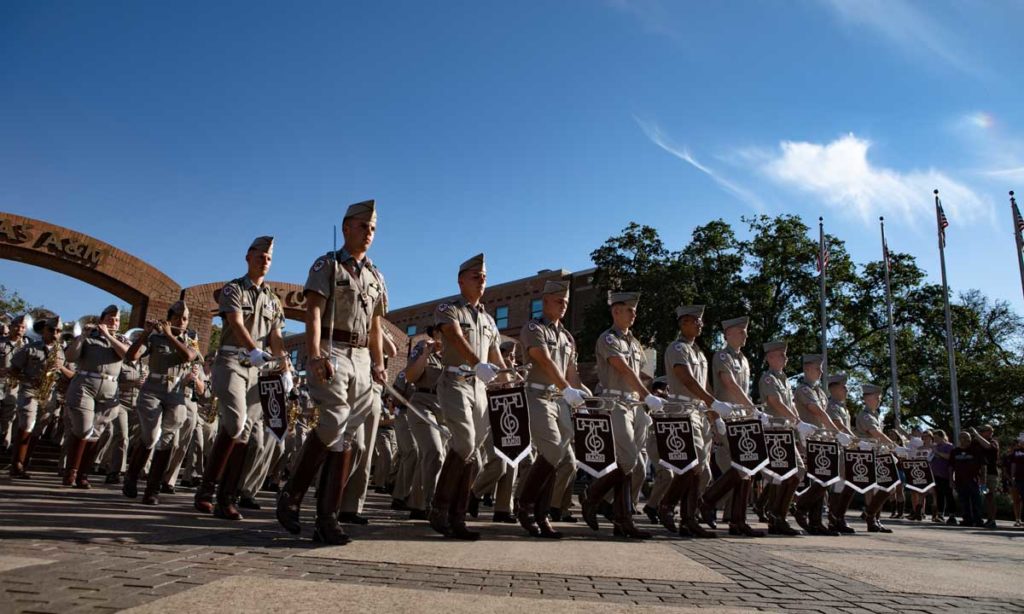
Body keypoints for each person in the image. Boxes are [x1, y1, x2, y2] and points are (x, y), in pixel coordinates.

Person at [276, 202, 387, 545]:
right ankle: (292, 495)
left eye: (373, 228)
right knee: (333, 419)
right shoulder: (328, 265)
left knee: (347, 436)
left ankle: (327, 519)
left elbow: (376, 325)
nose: (369, 233)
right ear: (346, 228)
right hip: (333, 351)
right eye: (362, 226)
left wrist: (379, 363)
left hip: (362, 359)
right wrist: (313, 354)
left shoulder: (376, 275)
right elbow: (313, 313)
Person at [196, 236, 289, 520]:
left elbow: (276, 336)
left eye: (269, 258)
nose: (265, 261)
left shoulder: (273, 300)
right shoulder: (233, 289)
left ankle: (227, 497)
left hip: (257, 370)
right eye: (260, 255)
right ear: (248, 256)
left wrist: (283, 364)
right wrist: (253, 350)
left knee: (246, 432)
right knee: (236, 422)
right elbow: (235, 323)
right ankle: (207, 490)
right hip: (232, 361)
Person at [428, 253, 508, 540]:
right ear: (461, 280)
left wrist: (508, 380)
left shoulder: (488, 319)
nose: (482, 280)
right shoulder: (448, 309)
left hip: (480, 389)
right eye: (476, 276)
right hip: (456, 381)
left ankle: (456, 515)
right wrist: (478, 364)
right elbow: (453, 336)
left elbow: (496, 357)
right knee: (463, 442)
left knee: (471, 451)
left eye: (484, 276)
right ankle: (440, 510)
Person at [580, 291, 661, 539]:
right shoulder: (608, 339)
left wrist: (649, 395)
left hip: (634, 405)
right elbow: (623, 369)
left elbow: (638, 373)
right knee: (627, 460)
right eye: (629, 309)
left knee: (633, 465)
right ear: (616, 311)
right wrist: (647, 395)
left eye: (635, 310)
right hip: (614, 403)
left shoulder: (634, 343)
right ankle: (592, 495)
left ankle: (621, 519)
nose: (634, 313)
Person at [514, 279, 587, 538]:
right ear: (544, 302)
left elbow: (572, 372)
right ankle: (525, 505)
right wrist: (567, 388)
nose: (563, 305)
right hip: (537, 396)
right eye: (559, 301)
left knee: (564, 459)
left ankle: (542, 514)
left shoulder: (567, 337)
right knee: (553, 449)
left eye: (566, 302)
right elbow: (542, 359)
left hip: (560, 400)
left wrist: (581, 395)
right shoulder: (534, 328)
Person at [655, 305, 727, 538]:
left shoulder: (698, 352)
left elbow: (703, 384)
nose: (699, 324)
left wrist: (712, 411)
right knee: (692, 464)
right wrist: (712, 402)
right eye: (694, 321)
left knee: (701, 471)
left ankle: (689, 519)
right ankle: (667, 505)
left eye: (700, 321)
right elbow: (685, 378)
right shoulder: (678, 348)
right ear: (683, 323)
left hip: (698, 412)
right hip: (682, 409)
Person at [122, 301, 199, 505]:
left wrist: (171, 335)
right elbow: (131, 356)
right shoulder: (155, 338)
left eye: (184, 319)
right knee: (151, 435)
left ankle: (152, 490)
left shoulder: (190, 341)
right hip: (153, 389)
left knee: (168, 441)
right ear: (170, 317)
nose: (181, 322)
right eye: (177, 318)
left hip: (175, 394)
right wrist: (146, 333)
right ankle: (132, 474)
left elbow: (188, 356)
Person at [699, 316, 764, 537]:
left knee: (746, 469)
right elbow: (728, 383)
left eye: (745, 331)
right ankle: (707, 500)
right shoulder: (722, 356)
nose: (745, 334)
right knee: (740, 467)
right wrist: (751, 406)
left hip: (742, 418)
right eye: (740, 331)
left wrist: (749, 411)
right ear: (728, 334)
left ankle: (738, 520)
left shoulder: (744, 360)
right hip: (728, 417)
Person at [9, 316, 73, 479]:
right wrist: (28, 379)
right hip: (30, 390)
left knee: (38, 428)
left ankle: (25, 461)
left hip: (50, 394)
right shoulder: (30, 348)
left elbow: (72, 375)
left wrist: (61, 368)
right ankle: (17, 464)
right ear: (44, 330)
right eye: (51, 330)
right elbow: (14, 369)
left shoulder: (62, 352)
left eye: (58, 331)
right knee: (27, 423)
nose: (55, 333)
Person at [402, 326, 447, 522]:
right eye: (442, 332)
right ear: (435, 333)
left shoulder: (454, 356)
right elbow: (410, 376)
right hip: (423, 402)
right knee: (434, 452)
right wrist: (426, 353)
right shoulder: (422, 349)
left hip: (446, 408)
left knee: (430, 457)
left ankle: (417, 505)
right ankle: (432, 505)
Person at [854, 384, 898, 533]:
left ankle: (872, 516)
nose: (879, 399)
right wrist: (894, 446)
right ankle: (872, 519)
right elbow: (875, 434)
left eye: (879, 397)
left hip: (879, 455)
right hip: (868, 455)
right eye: (876, 397)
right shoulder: (865, 415)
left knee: (888, 486)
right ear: (866, 398)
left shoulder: (876, 415)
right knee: (873, 489)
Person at [0, 315, 29, 456]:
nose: (19, 329)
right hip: (1, 380)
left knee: (9, 416)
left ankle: (5, 444)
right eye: (17, 326)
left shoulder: (27, 347)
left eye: (23, 327)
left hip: (15, 385)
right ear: (11, 327)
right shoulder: (1, 343)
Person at [949, 431, 985, 527]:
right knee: (963, 501)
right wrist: (951, 480)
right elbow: (951, 467)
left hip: (974, 480)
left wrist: (983, 480)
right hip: (959, 480)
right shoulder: (954, 451)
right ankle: (967, 520)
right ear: (959, 439)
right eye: (963, 438)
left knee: (976, 501)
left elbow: (983, 466)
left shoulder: (976, 451)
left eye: (968, 438)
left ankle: (978, 520)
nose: (966, 440)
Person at [971, 425, 1000, 529]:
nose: (990, 432)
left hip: (990, 474)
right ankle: (979, 518)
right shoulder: (975, 443)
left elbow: (987, 446)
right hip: (978, 475)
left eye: (991, 431)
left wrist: (977, 435)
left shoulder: (993, 442)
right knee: (980, 496)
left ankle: (992, 519)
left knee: (989, 496)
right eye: (987, 431)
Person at [929, 429, 957, 524]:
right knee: (939, 495)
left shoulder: (949, 446)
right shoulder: (935, 447)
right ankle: (940, 514)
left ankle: (952, 515)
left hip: (945, 474)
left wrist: (937, 452)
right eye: (934, 438)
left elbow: (949, 457)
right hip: (935, 474)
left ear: (942, 437)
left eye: (936, 437)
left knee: (948, 495)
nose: (935, 439)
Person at [1008, 434, 1024, 527]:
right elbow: (1013, 464)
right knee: (1016, 500)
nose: (1020, 443)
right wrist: (1012, 476)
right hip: (1018, 479)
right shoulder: (1016, 452)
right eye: (1020, 441)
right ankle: (1018, 519)